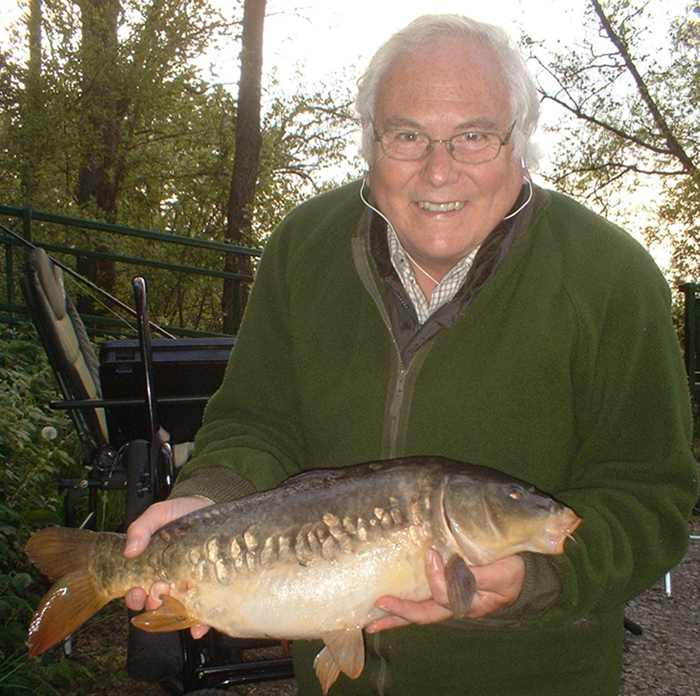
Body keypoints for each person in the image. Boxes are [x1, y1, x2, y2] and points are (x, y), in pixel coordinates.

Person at [123, 14, 699, 696]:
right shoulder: (303, 248)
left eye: (474, 136)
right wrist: (209, 499)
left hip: (534, 679)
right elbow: (256, 421)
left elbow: (652, 497)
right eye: (407, 135)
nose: (438, 170)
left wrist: (539, 577)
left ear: (521, 144)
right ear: (369, 142)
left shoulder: (612, 278)